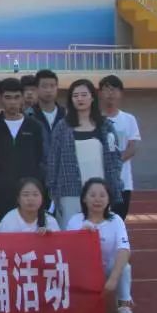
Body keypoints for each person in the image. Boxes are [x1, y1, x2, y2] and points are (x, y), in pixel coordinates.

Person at [47, 79, 124, 226]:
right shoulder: (62, 127)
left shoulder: (105, 126)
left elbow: (115, 159)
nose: (80, 99)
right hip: (69, 191)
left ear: (92, 97)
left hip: (99, 192)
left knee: (99, 230)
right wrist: (52, 188)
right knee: (71, 229)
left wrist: (114, 185)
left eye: (84, 95)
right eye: (75, 96)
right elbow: (53, 160)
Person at [65, 178, 139, 313]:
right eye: (92, 195)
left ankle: (124, 307)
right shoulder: (75, 221)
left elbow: (124, 249)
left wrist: (113, 279)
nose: (97, 199)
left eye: (102, 195)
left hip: (107, 268)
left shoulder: (116, 220)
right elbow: (67, 251)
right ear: (84, 198)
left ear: (109, 199)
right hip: (84, 271)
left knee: (125, 267)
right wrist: (81, 235)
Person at [0, 78, 46, 221]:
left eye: (16, 97)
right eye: (8, 97)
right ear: (0, 98)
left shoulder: (34, 126)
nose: (12, 102)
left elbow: (39, 158)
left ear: (22, 98)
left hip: (28, 194)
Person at [99, 75, 141, 220]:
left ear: (121, 93)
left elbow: (132, 147)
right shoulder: (93, 119)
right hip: (98, 179)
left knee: (118, 219)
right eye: (107, 89)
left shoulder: (129, 119)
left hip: (122, 180)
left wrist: (115, 162)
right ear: (100, 93)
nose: (110, 93)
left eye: (114, 89)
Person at [27, 69, 65, 152]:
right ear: (36, 89)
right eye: (44, 86)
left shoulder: (66, 115)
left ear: (57, 88)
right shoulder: (28, 116)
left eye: (52, 86)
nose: (49, 90)